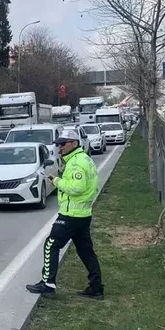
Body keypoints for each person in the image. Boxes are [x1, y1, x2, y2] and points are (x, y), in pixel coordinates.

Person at [26, 129, 104, 300]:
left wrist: (56, 181)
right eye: (58, 144)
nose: (59, 147)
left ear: (74, 144)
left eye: (63, 143)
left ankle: (48, 284)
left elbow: (76, 188)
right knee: (85, 251)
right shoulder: (84, 159)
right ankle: (96, 287)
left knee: (51, 245)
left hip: (71, 215)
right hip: (83, 214)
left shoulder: (76, 163)